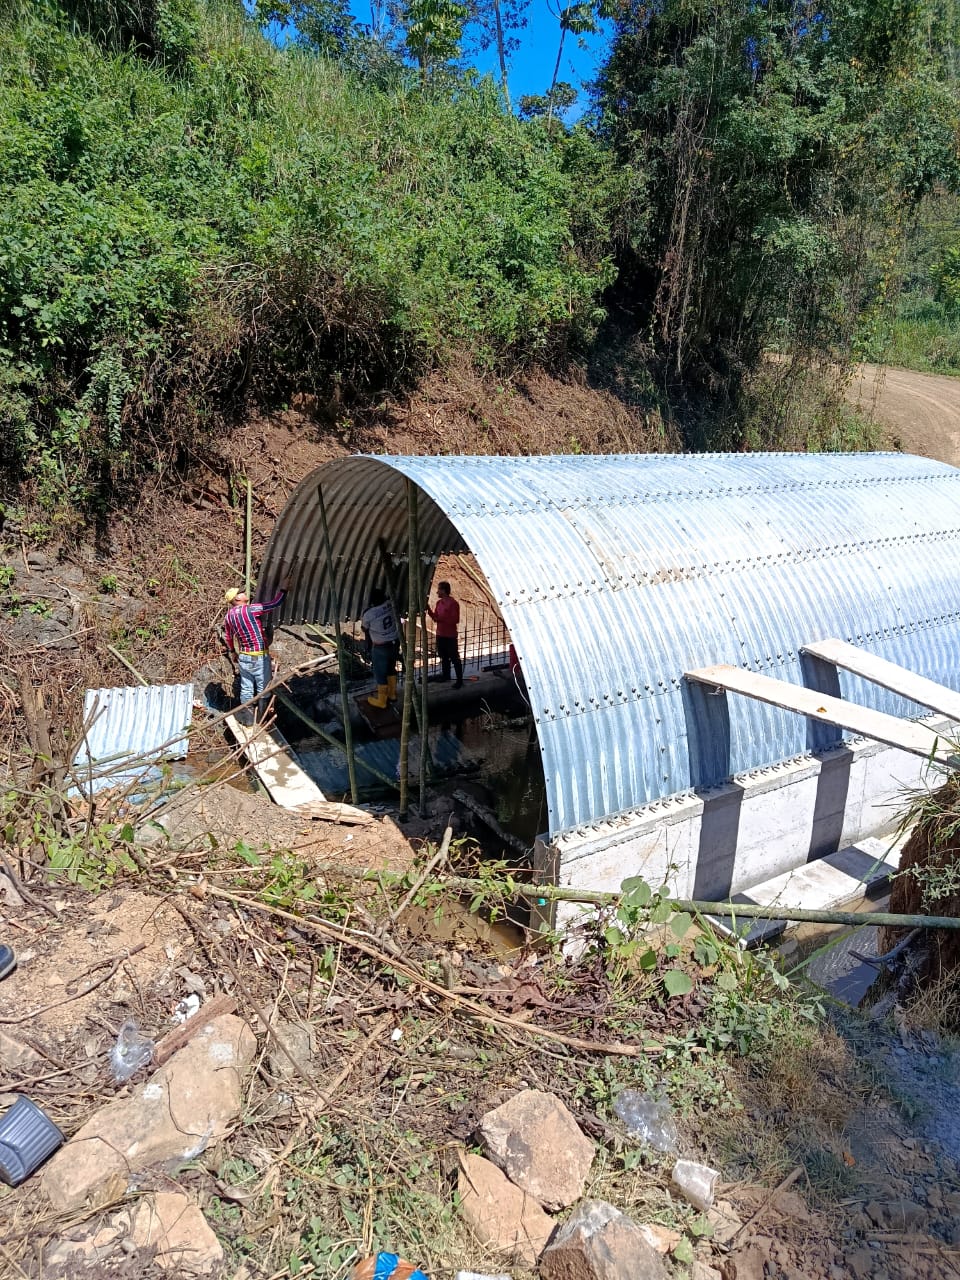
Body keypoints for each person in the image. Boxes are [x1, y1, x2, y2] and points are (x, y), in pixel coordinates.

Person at [223, 576, 289, 724]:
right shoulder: (251, 609)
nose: (244, 593)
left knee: (246, 688)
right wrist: (284, 589)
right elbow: (275, 603)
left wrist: (233, 652)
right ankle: (262, 719)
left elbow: (228, 636)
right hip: (259, 657)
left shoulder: (229, 617)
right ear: (237, 598)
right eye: (241, 592)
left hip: (244, 656)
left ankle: (248, 719)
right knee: (263, 688)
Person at [361, 587, 400, 709]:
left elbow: (364, 628)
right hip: (395, 642)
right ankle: (392, 694)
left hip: (381, 646)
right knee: (391, 668)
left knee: (380, 673)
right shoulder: (390, 604)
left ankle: (382, 701)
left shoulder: (369, 614)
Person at [428, 580, 463, 688]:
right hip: (440, 634)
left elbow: (455, 620)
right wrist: (429, 610)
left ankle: (459, 680)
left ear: (443, 590)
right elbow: (435, 618)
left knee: (454, 658)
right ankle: (446, 675)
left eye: (439, 589)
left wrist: (441, 619)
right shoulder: (439, 603)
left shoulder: (453, 604)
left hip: (450, 635)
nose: (437, 592)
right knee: (443, 657)